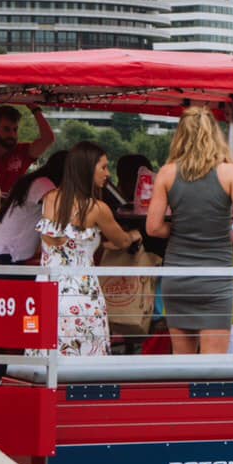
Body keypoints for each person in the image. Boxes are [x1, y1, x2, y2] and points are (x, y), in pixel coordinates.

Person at [146, 107, 233, 355]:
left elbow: (153, 228)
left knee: (182, 363)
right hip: (215, 279)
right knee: (213, 366)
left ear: (181, 136)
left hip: (178, 278)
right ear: (214, 135)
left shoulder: (167, 173)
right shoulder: (229, 172)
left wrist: (180, 227)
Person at [37, 142, 141, 356]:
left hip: (47, 291)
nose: (107, 174)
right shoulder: (96, 209)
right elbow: (121, 241)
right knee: (86, 357)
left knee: (47, 357)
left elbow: (67, 241)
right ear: (87, 169)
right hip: (81, 294)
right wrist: (134, 235)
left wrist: (97, 243)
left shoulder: (49, 199)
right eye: (103, 167)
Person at [0, 151, 67, 264]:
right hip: (3, 258)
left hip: (2, 256)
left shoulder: (36, 182)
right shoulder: (43, 184)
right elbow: (65, 207)